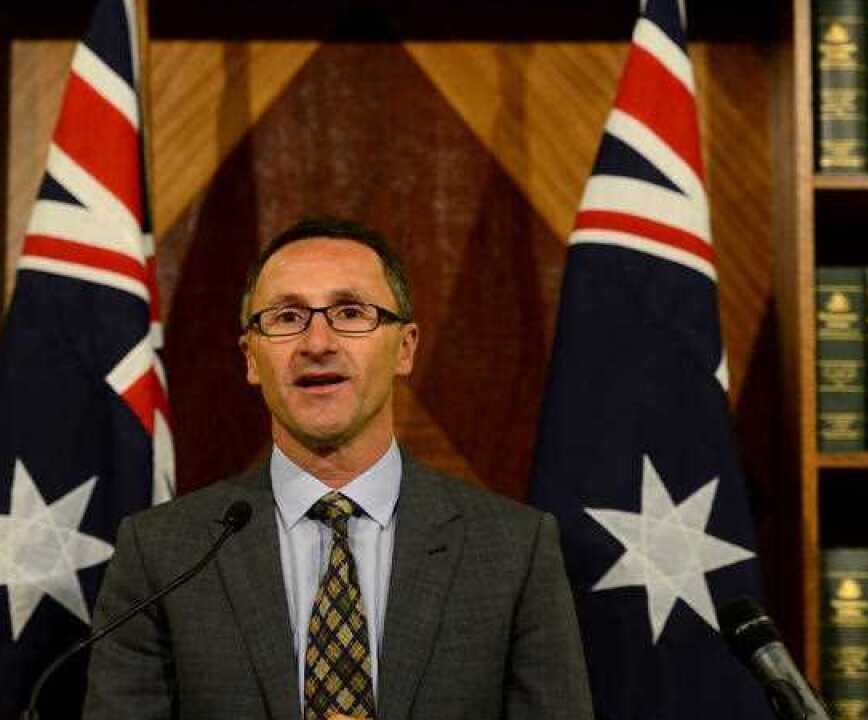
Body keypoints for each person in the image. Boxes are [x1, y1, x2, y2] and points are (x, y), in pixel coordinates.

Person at [83, 218, 593, 719]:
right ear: (251, 358)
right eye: (286, 317)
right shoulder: (162, 556)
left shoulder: (513, 551)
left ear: (405, 348)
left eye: (351, 312)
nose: (318, 343)